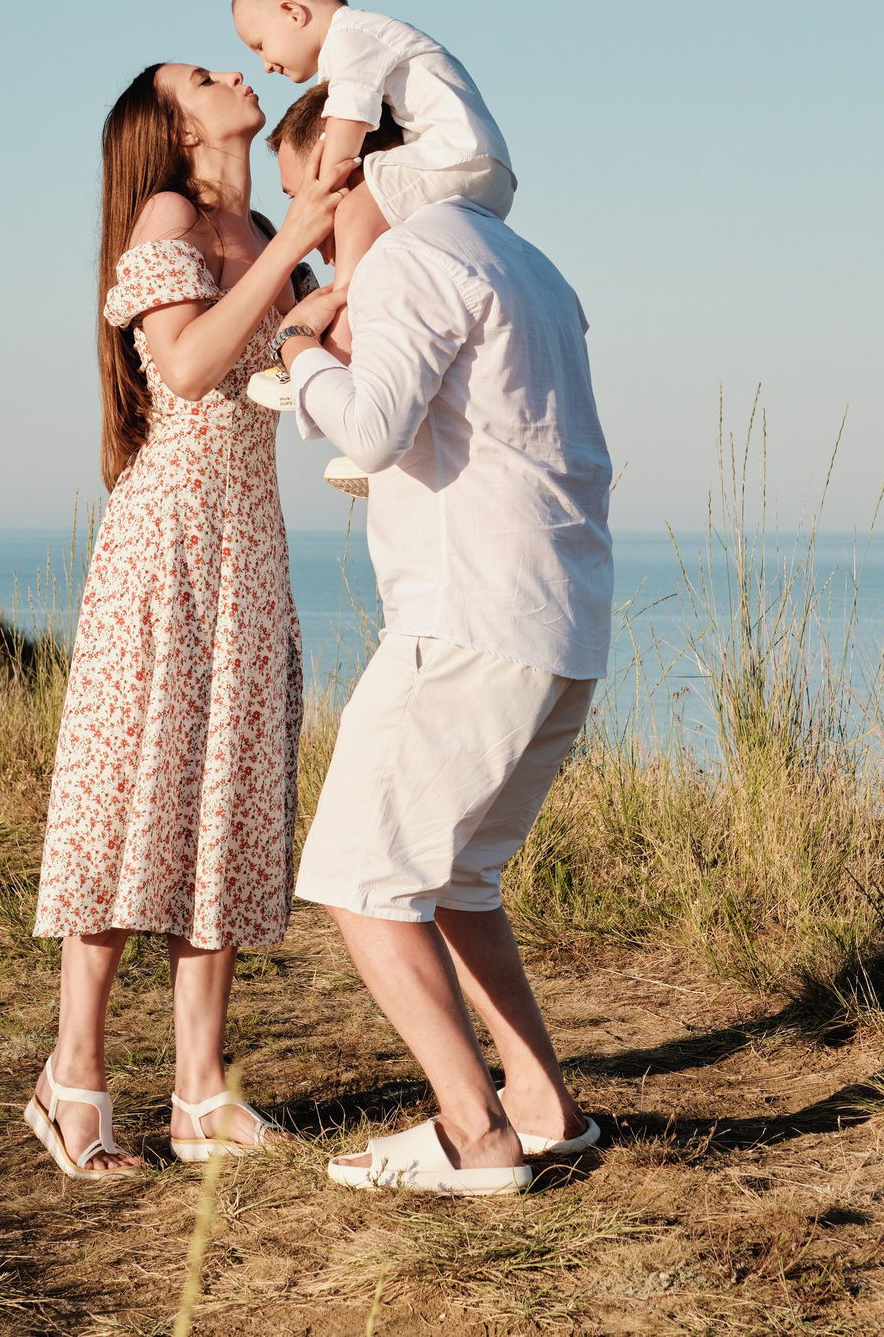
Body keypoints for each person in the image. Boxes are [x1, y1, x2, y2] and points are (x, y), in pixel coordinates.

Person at [22, 62, 353, 1179]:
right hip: (165, 543)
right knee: (136, 797)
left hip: (250, 546)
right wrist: (290, 243)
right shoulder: (173, 216)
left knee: (223, 803)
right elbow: (191, 363)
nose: (233, 72)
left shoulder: (263, 223)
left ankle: (200, 1094)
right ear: (172, 127)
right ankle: (73, 1076)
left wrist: (339, 251)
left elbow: (307, 345)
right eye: (202, 76)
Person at [270, 167, 614, 1197]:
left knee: (357, 878)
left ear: (356, 174)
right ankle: (542, 1107)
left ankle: (474, 1134)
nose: (321, 238)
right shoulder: (523, 262)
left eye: (312, 198)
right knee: (458, 880)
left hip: (468, 616)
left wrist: (295, 351)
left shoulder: (410, 257)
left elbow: (370, 433)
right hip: (562, 621)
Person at [229, 0, 513, 371]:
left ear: (293, 13)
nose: (264, 64)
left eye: (260, 45)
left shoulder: (351, 39)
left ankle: (340, 340)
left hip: (459, 157)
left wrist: (316, 198)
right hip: (478, 167)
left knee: (354, 211)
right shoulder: (363, 39)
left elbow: (346, 129)